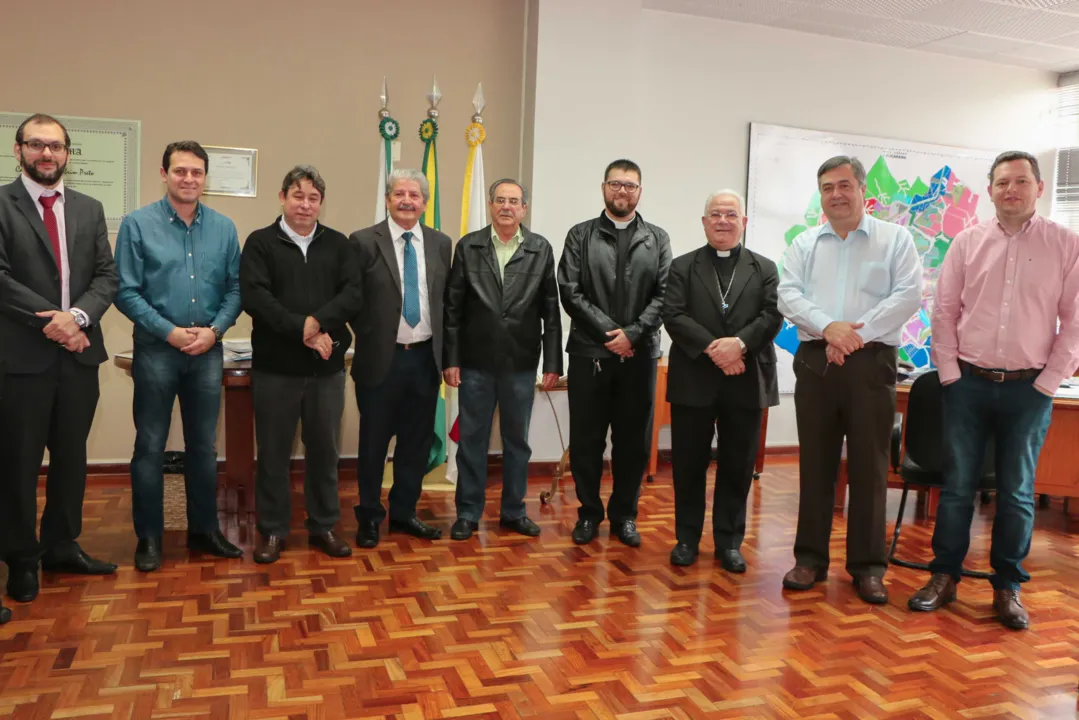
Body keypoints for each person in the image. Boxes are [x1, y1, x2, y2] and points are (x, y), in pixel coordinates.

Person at [908, 151, 1079, 630]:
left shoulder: (1066, 245)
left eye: (1021, 181)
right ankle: (944, 577)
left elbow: (1075, 322)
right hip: (968, 385)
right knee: (958, 488)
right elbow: (944, 310)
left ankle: (1007, 586)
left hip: (1029, 389)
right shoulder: (967, 242)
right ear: (990, 191)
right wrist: (948, 374)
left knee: (1018, 493)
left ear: (1039, 188)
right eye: (1002, 182)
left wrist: (1048, 383)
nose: (1011, 190)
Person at [777, 155, 922, 604]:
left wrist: (853, 334)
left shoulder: (895, 239)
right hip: (817, 360)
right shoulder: (805, 243)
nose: (835, 195)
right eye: (826, 187)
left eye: (843, 185)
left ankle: (867, 567)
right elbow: (787, 294)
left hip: (872, 361)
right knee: (815, 463)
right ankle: (809, 560)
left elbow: (908, 295)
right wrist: (829, 328)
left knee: (870, 467)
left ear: (863, 191)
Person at [0, 113, 119, 604]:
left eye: (55, 146)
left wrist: (78, 317)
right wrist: (52, 321)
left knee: (71, 459)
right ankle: (22, 558)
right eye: (36, 145)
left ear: (69, 153)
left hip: (79, 359)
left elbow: (107, 277)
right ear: (18, 150)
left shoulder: (89, 209)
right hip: (22, 359)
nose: (46, 154)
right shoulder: (2, 205)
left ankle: (61, 545)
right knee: (19, 463)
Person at [114, 140, 244, 572]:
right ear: (164, 173)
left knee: (203, 447)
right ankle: (149, 537)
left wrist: (215, 331)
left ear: (206, 178)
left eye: (196, 172)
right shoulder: (137, 224)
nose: (189, 179)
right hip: (157, 350)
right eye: (180, 171)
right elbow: (125, 291)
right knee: (149, 445)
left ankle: (204, 530)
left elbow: (235, 288)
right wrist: (168, 332)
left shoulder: (224, 228)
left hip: (207, 351)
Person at [240, 166, 363, 563]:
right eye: (297, 196)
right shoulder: (260, 243)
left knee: (325, 453)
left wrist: (318, 324)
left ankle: (324, 525)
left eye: (312, 198)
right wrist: (303, 329)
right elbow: (256, 298)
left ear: (321, 203)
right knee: (273, 453)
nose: (305, 204)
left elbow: (353, 295)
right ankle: (273, 531)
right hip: (276, 370)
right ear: (282, 197)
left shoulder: (339, 244)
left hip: (326, 372)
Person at [662, 190, 781, 569]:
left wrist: (740, 346)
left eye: (731, 214)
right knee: (688, 464)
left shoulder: (765, 268)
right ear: (704, 222)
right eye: (715, 214)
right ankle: (687, 539)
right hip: (695, 379)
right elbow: (674, 315)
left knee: (738, 464)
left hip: (745, 380)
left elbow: (772, 316)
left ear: (744, 222)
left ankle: (729, 542)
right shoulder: (682, 267)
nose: (723, 221)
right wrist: (719, 349)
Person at [557, 159, 672, 546]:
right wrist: (612, 333)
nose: (622, 191)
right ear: (603, 188)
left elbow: (665, 295)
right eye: (615, 184)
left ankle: (625, 515)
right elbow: (570, 292)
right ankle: (588, 513)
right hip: (590, 352)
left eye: (630, 185)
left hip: (639, 357)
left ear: (640, 191)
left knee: (632, 442)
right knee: (587, 440)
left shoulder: (657, 238)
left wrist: (634, 335)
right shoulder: (580, 235)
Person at [442, 179, 562, 540]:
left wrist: (553, 362)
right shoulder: (469, 246)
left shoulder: (540, 248)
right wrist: (451, 358)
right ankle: (467, 512)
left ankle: (513, 511)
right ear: (491, 205)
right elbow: (453, 308)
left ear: (524, 208)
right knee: (472, 441)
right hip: (476, 362)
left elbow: (551, 311)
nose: (507, 207)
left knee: (517, 443)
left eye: (514, 201)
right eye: (500, 200)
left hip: (521, 364)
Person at [348, 169, 452, 547]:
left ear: (424, 202)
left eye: (415, 195)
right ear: (388, 199)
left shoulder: (441, 243)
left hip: (425, 360)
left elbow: (446, 304)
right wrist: (372, 334)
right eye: (400, 194)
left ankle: (405, 512)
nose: (407, 200)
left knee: (416, 443)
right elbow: (351, 301)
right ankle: (370, 517)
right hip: (381, 360)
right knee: (374, 444)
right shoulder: (362, 242)